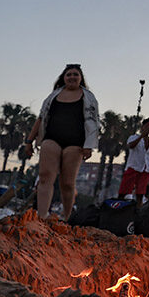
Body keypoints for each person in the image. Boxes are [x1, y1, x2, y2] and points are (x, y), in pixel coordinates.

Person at [24, 63, 99, 219]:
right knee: (45, 176)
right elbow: (41, 118)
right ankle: (42, 215)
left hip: (75, 143)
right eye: (69, 74)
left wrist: (89, 146)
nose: (72, 77)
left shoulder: (88, 97)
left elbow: (93, 122)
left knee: (67, 183)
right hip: (51, 139)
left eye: (75, 74)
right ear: (63, 78)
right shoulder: (52, 96)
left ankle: (67, 217)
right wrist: (29, 141)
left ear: (81, 78)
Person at [118, 118, 149, 207]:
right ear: (142, 127)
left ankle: (138, 212)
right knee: (124, 191)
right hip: (133, 168)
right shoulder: (134, 137)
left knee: (140, 194)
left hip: (146, 171)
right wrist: (141, 136)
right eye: (147, 126)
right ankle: (118, 208)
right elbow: (131, 146)